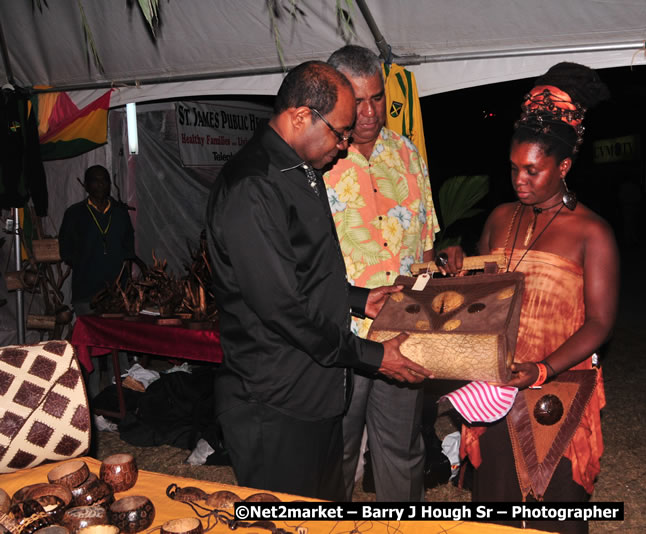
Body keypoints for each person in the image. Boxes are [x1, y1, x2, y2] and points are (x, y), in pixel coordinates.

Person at [205, 61, 432, 501]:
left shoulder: (299, 170)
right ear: (300, 117)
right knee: (289, 518)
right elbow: (283, 309)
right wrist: (372, 356)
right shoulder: (253, 186)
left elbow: (304, 272)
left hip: (315, 388)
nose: (345, 145)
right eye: (340, 132)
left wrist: (357, 299)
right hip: (276, 400)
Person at [441, 63, 617, 534]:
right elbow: (481, 301)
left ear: (563, 166)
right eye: (515, 168)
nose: (520, 180)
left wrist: (542, 370)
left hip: (556, 396)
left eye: (533, 171)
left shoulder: (592, 232)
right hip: (494, 391)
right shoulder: (500, 218)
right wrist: (454, 266)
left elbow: (600, 323)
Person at [322, 45, 439, 502]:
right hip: (342, 337)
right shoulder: (321, 162)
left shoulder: (406, 154)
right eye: (358, 100)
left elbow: (425, 243)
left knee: (402, 450)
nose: (368, 113)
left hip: (402, 332)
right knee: (338, 453)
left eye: (376, 99)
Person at [59, 165, 141, 399]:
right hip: (87, 290)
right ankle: (94, 402)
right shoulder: (74, 213)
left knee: (121, 344)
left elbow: (128, 248)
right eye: (94, 181)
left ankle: (126, 397)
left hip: (117, 292)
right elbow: (66, 251)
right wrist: (86, 260)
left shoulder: (119, 212)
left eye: (104, 180)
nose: (100, 185)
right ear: (86, 185)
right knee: (92, 348)